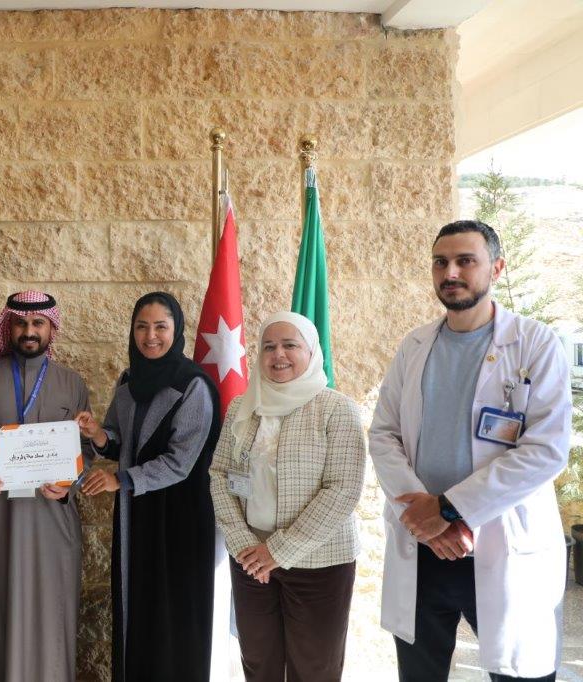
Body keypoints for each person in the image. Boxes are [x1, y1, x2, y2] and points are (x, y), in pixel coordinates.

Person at [369, 220, 572, 682]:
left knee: (520, 673)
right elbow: (384, 434)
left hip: (500, 543)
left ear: (496, 268)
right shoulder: (415, 346)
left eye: (466, 261)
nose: (451, 272)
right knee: (420, 673)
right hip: (425, 548)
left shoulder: (535, 344)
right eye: (440, 262)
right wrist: (425, 518)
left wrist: (449, 509)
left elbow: (546, 449)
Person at [209, 311, 365, 682]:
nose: (278, 354)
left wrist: (277, 551)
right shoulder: (242, 407)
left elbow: (342, 489)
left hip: (319, 563)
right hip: (250, 559)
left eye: (290, 345)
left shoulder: (336, 409)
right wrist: (243, 542)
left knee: (314, 668)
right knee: (258, 661)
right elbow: (220, 474)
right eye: (268, 346)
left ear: (311, 352)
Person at [77, 291, 220, 682]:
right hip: (136, 515)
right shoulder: (129, 381)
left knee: (173, 617)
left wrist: (121, 479)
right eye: (142, 327)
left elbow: (181, 462)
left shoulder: (193, 385)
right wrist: (97, 434)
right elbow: (120, 441)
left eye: (160, 326)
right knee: (137, 610)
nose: (150, 336)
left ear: (176, 330)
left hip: (179, 520)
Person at [0, 291, 91, 682]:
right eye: (21, 323)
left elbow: (86, 449)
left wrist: (70, 483)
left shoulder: (71, 383)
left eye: (38, 323)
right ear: (8, 327)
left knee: (52, 613)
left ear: (51, 328)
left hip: (52, 523)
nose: (29, 331)